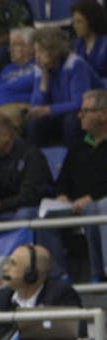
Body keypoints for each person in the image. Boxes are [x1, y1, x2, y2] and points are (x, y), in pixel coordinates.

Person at [54, 89, 107, 278]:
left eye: (85, 111)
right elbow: (62, 181)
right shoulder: (77, 146)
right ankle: (58, 277)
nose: (79, 115)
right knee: (41, 218)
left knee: (98, 207)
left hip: (98, 204)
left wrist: (91, 198)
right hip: (73, 205)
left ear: (103, 114)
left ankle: (100, 273)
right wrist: (62, 196)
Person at [27, 25, 100, 147]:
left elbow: (79, 103)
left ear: (54, 49)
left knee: (72, 120)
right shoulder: (41, 68)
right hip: (60, 113)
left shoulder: (75, 64)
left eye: (40, 51)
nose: (37, 57)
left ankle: (74, 160)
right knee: (34, 122)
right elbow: (36, 106)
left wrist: (48, 110)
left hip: (87, 112)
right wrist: (44, 78)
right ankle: (40, 161)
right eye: (36, 52)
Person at [0, 114, 50, 224]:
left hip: (30, 208)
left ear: (6, 136)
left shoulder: (32, 155)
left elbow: (30, 197)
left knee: (23, 214)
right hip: (0, 210)